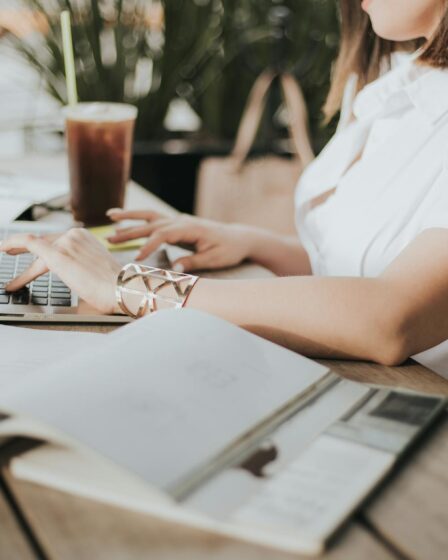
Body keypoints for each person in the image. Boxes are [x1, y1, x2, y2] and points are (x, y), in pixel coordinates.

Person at [2, 0, 448, 367]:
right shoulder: (400, 84)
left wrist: (127, 286)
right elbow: (358, 273)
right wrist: (253, 243)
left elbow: (390, 320)